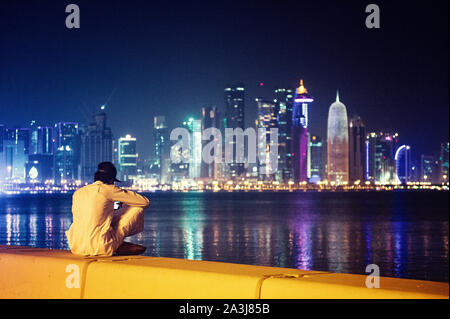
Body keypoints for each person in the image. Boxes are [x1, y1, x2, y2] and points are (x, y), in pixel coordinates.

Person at [66, 162, 150, 256]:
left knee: (100, 219)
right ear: (110, 180)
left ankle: (114, 241)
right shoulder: (109, 189)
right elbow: (144, 202)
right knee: (137, 207)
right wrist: (125, 203)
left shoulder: (78, 192)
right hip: (100, 247)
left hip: (76, 247)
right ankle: (116, 242)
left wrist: (116, 206)